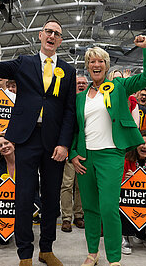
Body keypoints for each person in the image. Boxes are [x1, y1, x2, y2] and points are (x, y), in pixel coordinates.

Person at [0, 19, 76, 266]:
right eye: (49, 31)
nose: (52, 36)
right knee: (23, 197)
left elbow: (70, 110)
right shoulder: (24, 62)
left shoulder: (69, 70)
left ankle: (46, 249)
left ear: (60, 41)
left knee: (51, 198)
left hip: (54, 142)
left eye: (57, 34)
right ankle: (24, 254)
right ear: (41, 35)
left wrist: (64, 144)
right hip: (26, 138)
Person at [70, 35, 146, 266]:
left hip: (111, 154)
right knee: (89, 208)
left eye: (100, 62)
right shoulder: (79, 98)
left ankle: (114, 258)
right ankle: (92, 253)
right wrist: (73, 154)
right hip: (85, 156)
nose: (96, 65)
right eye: (91, 62)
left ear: (107, 66)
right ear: (87, 67)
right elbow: (74, 129)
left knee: (109, 208)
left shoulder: (118, 86)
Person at [120, 130, 146, 255]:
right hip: (125, 198)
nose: (145, 147)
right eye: (142, 143)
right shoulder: (126, 160)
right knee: (124, 202)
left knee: (141, 237)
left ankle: (138, 231)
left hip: (144, 199)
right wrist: (126, 180)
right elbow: (117, 183)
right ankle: (124, 236)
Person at [60, 76, 87, 233]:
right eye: (79, 83)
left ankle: (79, 215)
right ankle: (66, 218)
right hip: (69, 148)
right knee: (67, 184)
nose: (81, 85)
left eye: (84, 83)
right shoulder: (67, 101)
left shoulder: (88, 101)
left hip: (83, 150)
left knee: (80, 185)